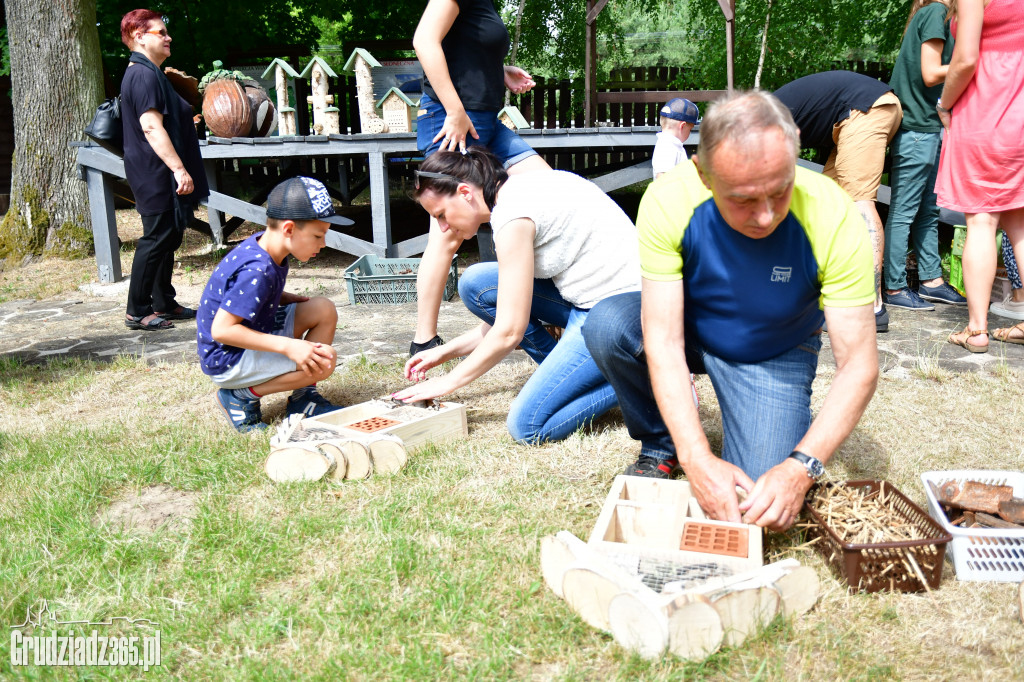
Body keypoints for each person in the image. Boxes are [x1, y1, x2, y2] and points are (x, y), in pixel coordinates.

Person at [582, 91, 878, 531]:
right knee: (607, 324)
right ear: (702, 173)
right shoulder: (668, 199)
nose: (764, 217)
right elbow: (662, 339)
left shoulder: (834, 215)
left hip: (773, 348)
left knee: (757, 506)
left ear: (795, 146)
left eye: (779, 192)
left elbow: (859, 365)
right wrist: (696, 456)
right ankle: (661, 443)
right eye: (742, 199)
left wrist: (801, 467)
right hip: (694, 328)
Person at [392, 149, 640, 444]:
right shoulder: (517, 189)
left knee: (528, 427)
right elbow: (510, 314)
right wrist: (445, 352)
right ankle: (576, 375)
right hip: (588, 301)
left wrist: (448, 382)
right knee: (477, 284)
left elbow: (510, 331)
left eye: (441, 215)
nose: (443, 227)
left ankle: (643, 379)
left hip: (619, 315)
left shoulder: (512, 216)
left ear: (465, 192)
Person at [410, 0, 551, 357]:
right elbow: (424, 41)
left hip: (486, 118)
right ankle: (423, 339)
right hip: (452, 118)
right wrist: (455, 110)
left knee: (549, 191)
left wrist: (499, 70)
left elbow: (465, 48)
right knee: (448, 232)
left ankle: (534, 305)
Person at [196, 177, 351, 432]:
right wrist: (289, 346)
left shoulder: (266, 247)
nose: (323, 244)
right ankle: (239, 396)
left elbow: (242, 292)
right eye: (318, 235)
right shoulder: (257, 270)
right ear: (288, 229)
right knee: (324, 360)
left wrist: (278, 296)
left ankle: (303, 398)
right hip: (228, 359)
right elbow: (222, 330)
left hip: (246, 339)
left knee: (322, 308)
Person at [774, 70, 903, 332]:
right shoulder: (761, 116)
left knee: (859, 202)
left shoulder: (755, 122)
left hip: (865, 109)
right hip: (857, 113)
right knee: (827, 206)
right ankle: (827, 293)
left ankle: (872, 306)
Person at [935, 0, 1024, 352]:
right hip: (1020, 112)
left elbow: (967, 58)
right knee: (1020, 223)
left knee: (982, 222)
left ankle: (977, 330)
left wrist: (943, 104)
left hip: (988, 112)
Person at [119, 10, 209, 331]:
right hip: (154, 171)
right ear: (139, 37)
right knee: (156, 238)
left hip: (157, 170)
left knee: (169, 236)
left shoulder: (151, 71)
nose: (168, 37)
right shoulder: (142, 75)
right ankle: (137, 310)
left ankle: (163, 302)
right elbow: (150, 127)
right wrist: (179, 169)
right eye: (160, 32)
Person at [884, 0, 967, 312]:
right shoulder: (934, 11)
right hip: (915, 128)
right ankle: (894, 287)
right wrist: (971, 61)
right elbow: (931, 73)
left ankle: (931, 281)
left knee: (929, 210)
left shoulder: (936, 14)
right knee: (904, 211)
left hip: (928, 128)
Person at [652, 98, 700, 179]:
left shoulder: (673, 145)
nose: (690, 132)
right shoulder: (667, 147)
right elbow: (662, 178)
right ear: (682, 126)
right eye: (690, 129)